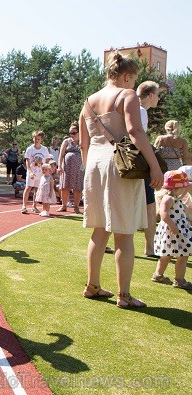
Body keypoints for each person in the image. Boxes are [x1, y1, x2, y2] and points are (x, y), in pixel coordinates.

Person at [80, 53, 163, 309]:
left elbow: (83, 143)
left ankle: (92, 286)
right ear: (127, 76)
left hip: (94, 164)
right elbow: (135, 132)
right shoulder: (126, 95)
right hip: (120, 166)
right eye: (134, 79)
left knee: (99, 229)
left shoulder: (88, 102)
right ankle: (124, 295)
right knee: (124, 232)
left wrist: (89, 172)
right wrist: (155, 166)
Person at [151, 170, 192, 289]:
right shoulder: (168, 199)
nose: (185, 189)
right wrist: (173, 226)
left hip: (177, 230)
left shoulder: (176, 198)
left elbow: (185, 209)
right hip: (173, 231)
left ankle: (158, 275)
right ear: (176, 188)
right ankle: (179, 280)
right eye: (183, 187)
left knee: (168, 254)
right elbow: (163, 214)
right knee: (183, 255)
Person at [137, 81, 163, 257]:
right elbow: (140, 139)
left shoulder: (130, 109)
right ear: (150, 95)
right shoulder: (141, 112)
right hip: (138, 164)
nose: (159, 98)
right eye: (158, 94)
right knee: (149, 205)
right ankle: (150, 248)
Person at [57, 123, 84, 214]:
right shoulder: (66, 141)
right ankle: (64, 206)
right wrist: (59, 166)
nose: (71, 134)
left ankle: (76, 207)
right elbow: (61, 155)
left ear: (79, 132)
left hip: (79, 168)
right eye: (70, 133)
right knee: (65, 187)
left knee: (78, 187)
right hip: (67, 167)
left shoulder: (82, 141)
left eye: (73, 132)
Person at [21, 130, 49, 214]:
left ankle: (34, 206)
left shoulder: (44, 149)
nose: (36, 140)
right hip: (32, 172)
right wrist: (30, 172)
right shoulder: (30, 149)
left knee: (37, 189)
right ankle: (24, 206)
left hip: (40, 173)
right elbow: (27, 162)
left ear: (41, 140)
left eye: (38, 139)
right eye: (35, 138)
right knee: (28, 188)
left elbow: (46, 160)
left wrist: (46, 170)